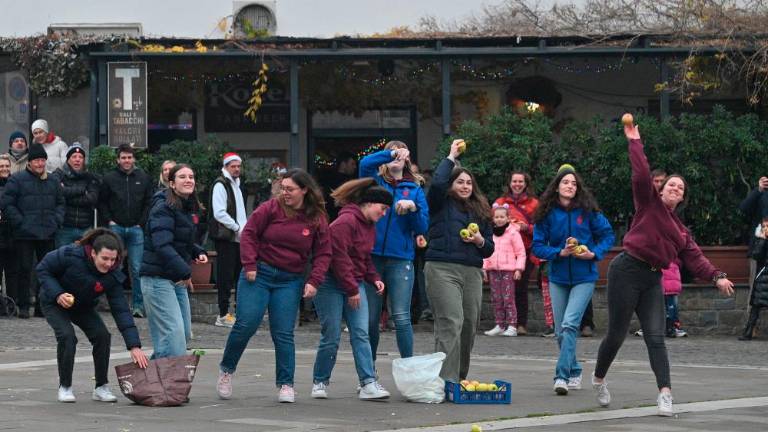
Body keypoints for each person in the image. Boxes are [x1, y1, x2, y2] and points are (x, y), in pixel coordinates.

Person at [592, 121, 734, 416]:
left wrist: (718, 276)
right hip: (626, 269)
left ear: (682, 198)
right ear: (663, 188)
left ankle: (665, 393)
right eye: (671, 184)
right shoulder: (648, 203)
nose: (675, 188)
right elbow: (641, 174)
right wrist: (634, 140)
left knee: (656, 337)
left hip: (651, 279)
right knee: (616, 335)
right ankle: (599, 378)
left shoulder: (681, 232)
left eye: (680, 187)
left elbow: (697, 259)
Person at [217, 168, 331, 403]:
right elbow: (249, 233)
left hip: (290, 279)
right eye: (282, 188)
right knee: (246, 323)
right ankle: (227, 370)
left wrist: (314, 280)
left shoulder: (316, 217)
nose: (284, 193)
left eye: (290, 189)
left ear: (304, 190)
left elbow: (323, 253)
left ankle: (286, 384)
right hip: (259, 273)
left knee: (283, 332)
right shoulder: (271, 208)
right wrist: (249, 264)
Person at [36, 228, 149, 402]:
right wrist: (58, 294)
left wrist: (134, 346)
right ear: (93, 253)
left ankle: (101, 387)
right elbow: (43, 269)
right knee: (67, 336)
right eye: (104, 258)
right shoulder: (70, 254)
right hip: (54, 301)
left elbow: (121, 310)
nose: (109, 264)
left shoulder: (113, 275)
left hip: (82, 305)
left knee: (102, 336)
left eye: (113, 259)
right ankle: (65, 387)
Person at [531, 163, 615, 396]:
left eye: (574, 183)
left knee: (569, 324)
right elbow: (537, 246)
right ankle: (575, 369)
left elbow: (608, 235)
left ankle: (562, 376)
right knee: (560, 331)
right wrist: (559, 252)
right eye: (565, 182)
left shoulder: (587, 211)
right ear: (556, 187)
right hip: (557, 277)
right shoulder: (546, 213)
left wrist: (593, 253)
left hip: (584, 277)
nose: (570, 186)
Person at [311, 178, 393, 400]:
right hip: (330, 284)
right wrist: (352, 290)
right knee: (332, 335)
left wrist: (374, 278)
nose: (384, 214)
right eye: (383, 208)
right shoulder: (345, 222)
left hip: (352, 283)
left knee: (361, 333)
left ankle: (368, 383)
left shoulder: (369, 227)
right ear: (369, 203)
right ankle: (320, 381)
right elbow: (339, 259)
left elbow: (363, 258)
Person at [424, 139, 494, 382]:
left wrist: (478, 241)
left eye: (468, 183)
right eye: (459, 182)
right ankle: (445, 381)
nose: (465, 186)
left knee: (468, 325)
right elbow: (437, 183)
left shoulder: (481, 210)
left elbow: (489, 249)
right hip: (442, 268)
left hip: (472, 271)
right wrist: (451, 156)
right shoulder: (439, 202)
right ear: (451, 185)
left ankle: (459, 378)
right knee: (451, 321)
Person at [358, 141, 429, 365]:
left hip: (401, 258)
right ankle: (368, 374)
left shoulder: (415, 189)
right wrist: (390, 153)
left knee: (401, 316)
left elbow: (422, 227)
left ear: (408, 161)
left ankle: (408, 367)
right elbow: (364, 163)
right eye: (394, 153)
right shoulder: (374, 183)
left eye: (402, 153)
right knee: (371, 319)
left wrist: (413, 209)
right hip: (372, 257)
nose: (398, 158)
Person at [140, 164, 207, 361]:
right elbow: (162, 245)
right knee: (174, 340)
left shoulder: (184, 206)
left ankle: (150, 379)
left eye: (191, 176)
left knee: (181, 336)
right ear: (172, 183)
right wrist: (186, 271)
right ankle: (162, 386)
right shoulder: (163, 207)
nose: (188, 180)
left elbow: (180, 239)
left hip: (175, 278)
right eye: (182, 177)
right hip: (157, 280)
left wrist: (197, 251)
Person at [0, 144, 64, 318]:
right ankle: (23, 306)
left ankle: (42, 307)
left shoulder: (53, 180)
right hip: (24, 234)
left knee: (45, 271)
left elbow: (60, 203)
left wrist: (56, 220)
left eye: (43, 160)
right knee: (24, 269)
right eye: (37, 160)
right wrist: (20, 222)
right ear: (30, 162)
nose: (40, 163)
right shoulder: (17, 179)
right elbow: (7, 204)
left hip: (47, 232)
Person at [99, 144, 154, 318]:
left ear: (134, 159)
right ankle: (117, 305)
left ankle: (138, 306)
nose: (126, 161)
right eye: (123, 157)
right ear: (118, 159)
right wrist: (110, 220)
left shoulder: (144, 178)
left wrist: (141, 223)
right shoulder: (109, 178)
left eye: (129, 157)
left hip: (136, 229)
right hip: (116, 228)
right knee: (115, 266)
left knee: (137, 268)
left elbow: (148, 202)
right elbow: (102, 202)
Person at [494, 171, 541, 336]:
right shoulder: (500, 203)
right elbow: (491, 224)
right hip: (503, 252)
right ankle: (503, 323)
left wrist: (525, 227)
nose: (517, 184)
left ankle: (520, 324)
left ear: (526, 184)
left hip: (524, 251)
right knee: (501, 289)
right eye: (514, 181)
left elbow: (542, 229)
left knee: (520, 287)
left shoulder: (535, 204)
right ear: (509, 183)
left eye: (521, 181)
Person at [210, 153, 247, 328]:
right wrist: (237, 227)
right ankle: (223, 314)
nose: (237, 169)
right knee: (226, 276)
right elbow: (219, 212)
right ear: (225, 167)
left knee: (239, 275)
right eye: (233, 166)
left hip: (238, 237)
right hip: (227, 237)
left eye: (238, 166)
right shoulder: (221, 184)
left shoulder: (237, 184)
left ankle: (238, 312)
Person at [483, 203, 526, 337]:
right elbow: (486, 251)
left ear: (508, 218)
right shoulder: (490, 233)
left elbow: (520, 252)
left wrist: (519, 269)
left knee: (508, 298)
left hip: (508, 270)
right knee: (496, 298)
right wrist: (484, 268)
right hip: (494, 270)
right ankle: (500, 324)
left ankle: (512, 325)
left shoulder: (513, 233)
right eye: (497, 217)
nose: (499, 219)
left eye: (502, 217)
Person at [53, 144, 100, 247]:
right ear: (68, 159)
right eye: (74, 157)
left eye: (80, 157)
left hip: (85, 229)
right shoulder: (59, 174)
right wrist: (81, 191)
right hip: (64, 228)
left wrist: (67, 196)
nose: (77, 160)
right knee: (62, 260)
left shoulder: (90, 177)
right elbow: (57, 193)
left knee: (85, 260)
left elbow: (92, 198)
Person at [739, 216, 768, 340]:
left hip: (763, 274)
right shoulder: (760, 239)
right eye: (764, 226)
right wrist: (762, 239)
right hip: (763, 275)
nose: (766, 228)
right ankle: (748, 332)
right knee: (756, 306)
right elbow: (756, 255)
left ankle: (748, 333)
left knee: (756, 306)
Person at [0, 154, 16, 310]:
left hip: (12, 233)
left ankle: (12, 304)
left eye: (6, 166)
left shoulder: (15, 184)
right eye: (1, 166)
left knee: (12, 272)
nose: (4, 169)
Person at [323, 151, 358, 221]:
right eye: (352, 164)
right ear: (343, 164)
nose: (355, 167)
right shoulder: (331, 181)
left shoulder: (352, 180)